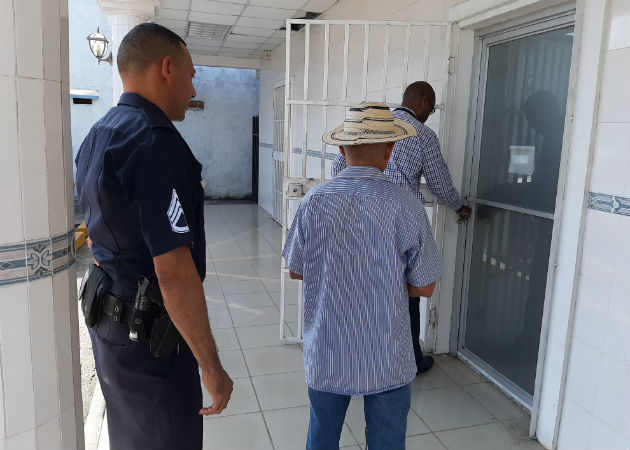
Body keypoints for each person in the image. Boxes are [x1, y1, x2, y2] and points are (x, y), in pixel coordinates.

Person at [75, 23, 232, 450]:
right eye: (191, 73)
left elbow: (95, 236)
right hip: (152, 344)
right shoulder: (153, 142)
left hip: (109, 331)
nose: (193, 85)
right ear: (167, 68)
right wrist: (210, 366)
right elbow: (174, 273)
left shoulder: (99, 134)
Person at [283, 103, 443, 450]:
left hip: (327, 348)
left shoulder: (314, 201)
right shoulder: (405, 204)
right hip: (386, 353)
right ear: (389, 149)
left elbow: (296, 269)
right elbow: (424, 284)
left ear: (342, 149)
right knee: (387, 440)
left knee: (321, 436)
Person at [331, 81, 470, 374]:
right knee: (407, 288)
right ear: (421, 101)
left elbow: (337, 169)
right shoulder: (423, 135)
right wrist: (458, 206)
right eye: (430, 109)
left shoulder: (369, 128)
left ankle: (358, 351)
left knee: (359, 283)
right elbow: (440, 185)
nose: (429, 114)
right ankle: (409, 360)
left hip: (355, 218)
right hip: (398, 221)